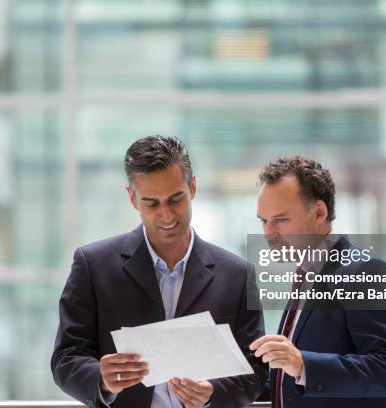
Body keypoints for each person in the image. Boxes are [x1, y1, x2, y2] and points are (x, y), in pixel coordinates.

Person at [51, 135, 266, 408]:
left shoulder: (237, 275)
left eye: (175, 199)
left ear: (193, 187)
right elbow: (66, 358)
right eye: (151, 203)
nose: (166, 216)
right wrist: (101, 380)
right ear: (132, 198)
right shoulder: (93, 265)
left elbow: (256, 369)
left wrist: (212, 393)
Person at [250, 156, 386, 408]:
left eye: (281, 219)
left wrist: (302, 363)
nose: (268, 232)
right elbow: (293, 384)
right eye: (263, 220)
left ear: (319, 212)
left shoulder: (366, 271)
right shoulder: (307, 274)